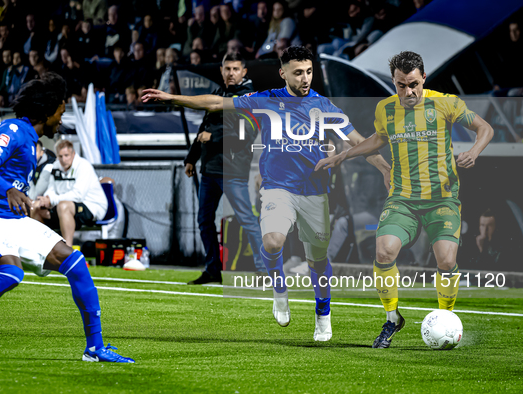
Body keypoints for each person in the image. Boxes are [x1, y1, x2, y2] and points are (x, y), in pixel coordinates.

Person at [142, 46, 391, 341]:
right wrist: (173, 97)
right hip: (277, 188)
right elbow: (216, 103)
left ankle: (322, 313)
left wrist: (385, 168)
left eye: (309, 72)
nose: (305, 78)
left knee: (317, 261)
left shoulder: (324, 106)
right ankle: (279, 289)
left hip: (315, 193)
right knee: (273, 242)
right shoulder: (266, 100)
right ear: (282, 73)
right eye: (298, 72)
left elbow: (358, 141)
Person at [0, 73, 133, 363]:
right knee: (11, 275)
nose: (61, 121)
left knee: (76, 264)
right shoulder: (12, 129)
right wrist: (9, 189)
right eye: (60, 113)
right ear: (47, 111)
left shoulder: (32, 141)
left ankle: (95, 348)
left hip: (13, 221)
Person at [314, 51, 494, 348]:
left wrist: (473, 152)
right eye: (401, 85)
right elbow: (377, 139)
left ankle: (445, 318)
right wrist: (343, 156)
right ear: (394, 82)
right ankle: (391, 318)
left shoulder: (446, 103)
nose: (408, 91)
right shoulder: (386, 109)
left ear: (424, 78)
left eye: (413, 84)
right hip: (403, 199)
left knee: (447, 261)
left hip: (442, 199)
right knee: (384, 253)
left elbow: (484, 128)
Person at [184, 52, 264, 285]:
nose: (230, 73)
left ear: (244, 72)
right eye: (227, 69)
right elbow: (203, 127)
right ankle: (212, 270)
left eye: (235, 69)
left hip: (232, 170)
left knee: (247, 220)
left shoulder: (249, 97)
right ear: (221, 70)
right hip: (209, 169)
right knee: (204, 221)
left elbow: (245, 134)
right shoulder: (218, 93)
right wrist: (191, 158)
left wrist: (213, 136)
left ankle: (264, 272)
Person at [31, 139, 108, 247]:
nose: (63, 159)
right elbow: (51, 189)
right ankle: (40, 250)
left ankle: (67, 251)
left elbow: (78, 195)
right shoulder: (56, 166)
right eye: (60, 156)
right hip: (64, 205)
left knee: (64, 206)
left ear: (73, 154)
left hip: (91, 206)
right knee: (35, 207)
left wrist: (51, 200)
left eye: (66, 155)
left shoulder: (84, 166)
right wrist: (46, 200)